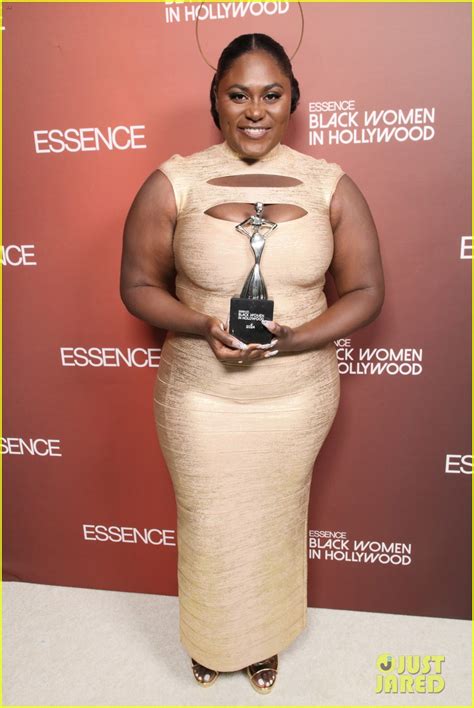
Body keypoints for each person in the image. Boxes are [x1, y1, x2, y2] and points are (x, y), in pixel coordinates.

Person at [120, 33, 384, 694]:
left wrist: (298, 339)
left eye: (272, 94)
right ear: (216, 102)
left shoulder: (329, 183)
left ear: (292, 99)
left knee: (276, 513)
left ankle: (262, 639)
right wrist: (201, 323)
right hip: (201, 395)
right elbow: (138, 287)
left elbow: (366, 292)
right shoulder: (174, 181)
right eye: (238, 94)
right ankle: (214, 639)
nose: (255, 109)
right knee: (210, 519)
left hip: (296, 396)